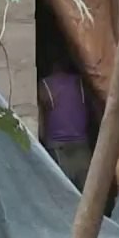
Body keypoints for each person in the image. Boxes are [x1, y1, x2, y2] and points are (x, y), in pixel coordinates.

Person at [39, 57, 93, 190]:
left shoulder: (45, 85)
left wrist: (44, 142)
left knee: (63, 195)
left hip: (58, 149)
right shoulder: (80, 83)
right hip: (81, 147)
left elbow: (41, 123)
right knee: (86, 195)